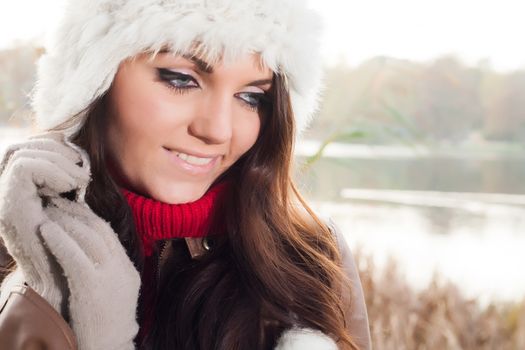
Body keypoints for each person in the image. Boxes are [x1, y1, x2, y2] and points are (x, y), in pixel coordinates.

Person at [0, 0, 371, 349]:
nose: (218, 131)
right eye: (180, 79)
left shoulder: (310, 257)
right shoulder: (13, 234)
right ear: (93, 80)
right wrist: (39, 304)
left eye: (251, 97)